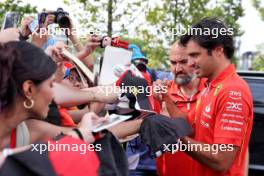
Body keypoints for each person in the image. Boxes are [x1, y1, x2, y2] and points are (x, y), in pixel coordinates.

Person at [178, 17, 253, 176]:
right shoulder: (209, 85)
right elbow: (190, 128)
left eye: (195, 55)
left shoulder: (233, 92)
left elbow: (221, 160)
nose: (190, 63)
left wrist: (177, 140)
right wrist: (164, 104)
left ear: (218, 50)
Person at [154, 41, 206, 176]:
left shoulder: (213, 89)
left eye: (183, 62)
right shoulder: (160, 91)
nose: (177, 69)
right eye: (173, 63)